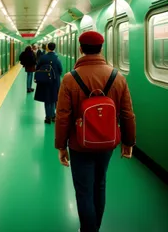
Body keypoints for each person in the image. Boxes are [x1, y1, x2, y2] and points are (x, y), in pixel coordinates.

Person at [55, 31, 136, 232]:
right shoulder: (118, 77)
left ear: (80, 49)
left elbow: (63, 116)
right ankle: (95, 228)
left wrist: (61, 146)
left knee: (83, 191)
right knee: (99, 184)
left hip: (79, 144)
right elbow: (127, 114)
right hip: (106, 143)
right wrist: (128, 142)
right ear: (102, 48)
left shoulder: (69, 79)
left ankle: (88, 229)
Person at [34, 42, 63, 124]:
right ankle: (53, 116)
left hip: (44, 81)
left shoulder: (43, 57)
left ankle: (47, 117)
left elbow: (37, 67)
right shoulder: (57, 58)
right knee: (54, 98)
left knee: (47, 99)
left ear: (47, 48)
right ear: (54, 48)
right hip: (54, 81)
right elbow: (60, 69)